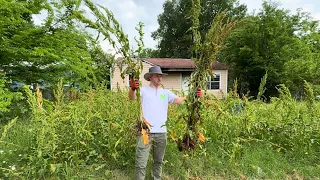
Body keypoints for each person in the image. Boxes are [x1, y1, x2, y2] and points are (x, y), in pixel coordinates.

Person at [128, 66, 202, 180]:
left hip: (161, 133)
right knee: (141, 163)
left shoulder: (165, 93)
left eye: (161, 76)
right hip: (145, 133)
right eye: (157, 75)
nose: (160, 78)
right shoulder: (143, 90)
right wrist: (132, 89)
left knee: (159, 162)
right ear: (150, 77)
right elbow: (131, 98)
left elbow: (178, 100)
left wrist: (193, 95)